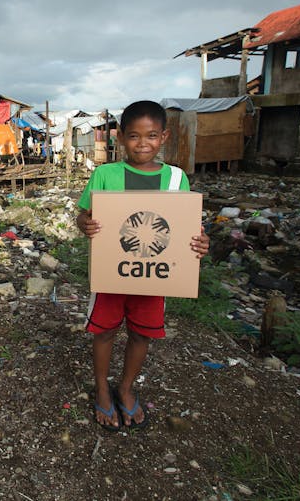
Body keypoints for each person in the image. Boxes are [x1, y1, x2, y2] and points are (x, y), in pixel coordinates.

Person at [75, 100, 209, 431]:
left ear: (164, 137)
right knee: (105, 330)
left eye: (151, 136)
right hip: (112, 273)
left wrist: (200, 243)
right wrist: (85, 224)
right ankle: (103, 388)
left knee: (140, 333)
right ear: (121, 137)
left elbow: (184, 229)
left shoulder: (177, 179)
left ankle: (125, 386)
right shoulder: (106, 174)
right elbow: (83, 215)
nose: (143, 143)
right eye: (134, 136)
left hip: (154, 277)